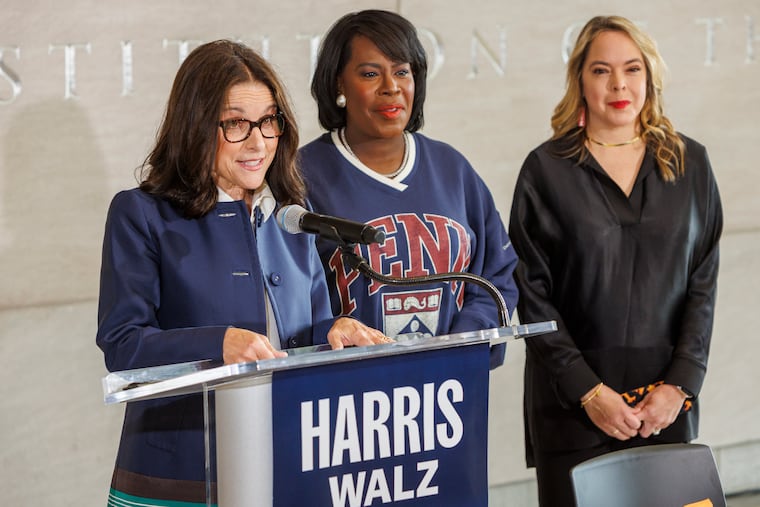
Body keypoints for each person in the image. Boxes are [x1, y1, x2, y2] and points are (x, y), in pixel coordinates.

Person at [96, 39, 388, 507]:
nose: (258, 142)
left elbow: (303, 333)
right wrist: (219, 343)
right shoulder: (141, 214)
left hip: (289, 462)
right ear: (195, 126)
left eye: (268, 121)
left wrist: (335, 329)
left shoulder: (293, 215)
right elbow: (123, 342)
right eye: (235, 124)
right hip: (179, 475)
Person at [508, 16, 723, 506]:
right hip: (573, 410)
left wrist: (679, 386)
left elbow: (702, 285)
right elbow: (530, 293)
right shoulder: (545, 170)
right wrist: (588, 391)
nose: (619, 84)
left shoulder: (691, 164)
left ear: (650, 76)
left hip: (665, 409)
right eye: (601, 71)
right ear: (580, 82)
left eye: (632, 68)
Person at [300, 10, 519, 368]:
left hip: (447, 390)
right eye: (370, 73)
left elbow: (497, 273)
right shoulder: (302, 175)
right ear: (339, 84)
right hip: (342, 398)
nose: (391, 86)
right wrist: (329, 332)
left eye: (402, 71)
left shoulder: (452, 169)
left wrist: (465, 340)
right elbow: (283, 302)